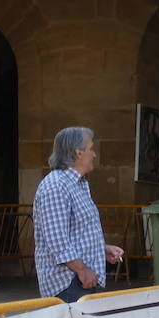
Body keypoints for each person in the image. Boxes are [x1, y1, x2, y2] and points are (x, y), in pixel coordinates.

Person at [32, 126, 124, 302]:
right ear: (78, 153)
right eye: (91, 149)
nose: (94, 155)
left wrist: (102, 249)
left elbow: (77, 232)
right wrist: (82, 270)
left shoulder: (79, 184)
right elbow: (57, 241)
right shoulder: (56, 186)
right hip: (67, 283)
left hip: (79, 280)